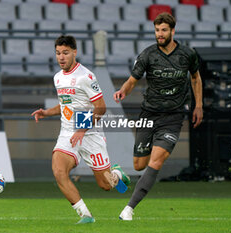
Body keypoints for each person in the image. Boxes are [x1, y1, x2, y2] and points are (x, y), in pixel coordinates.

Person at [31, 35, 130, 224]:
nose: (61, 57)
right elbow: (65, 104)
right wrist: (46, 112)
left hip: (90, 134)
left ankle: (117, 174)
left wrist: (82, 129)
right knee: (59, 170)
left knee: (106, 185)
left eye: (65, 53)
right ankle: (86, 215)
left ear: (75, 52)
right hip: (68, 133)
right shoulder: (58, 78)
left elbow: (100, 108)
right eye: (58, 53)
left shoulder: (86, 76)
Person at [114, 12, 203, 220]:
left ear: (173, 31)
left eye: (163, 30)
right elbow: (132, 80)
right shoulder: (148, 54)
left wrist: (199, 105)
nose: (159, 34)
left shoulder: (187, 55)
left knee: (157, 160)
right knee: (139, 165)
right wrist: (123, 91)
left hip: (173, 117)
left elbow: (196, 78)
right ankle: (122, 174)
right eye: (157, 30)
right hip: (149, 114)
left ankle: (129, 209)